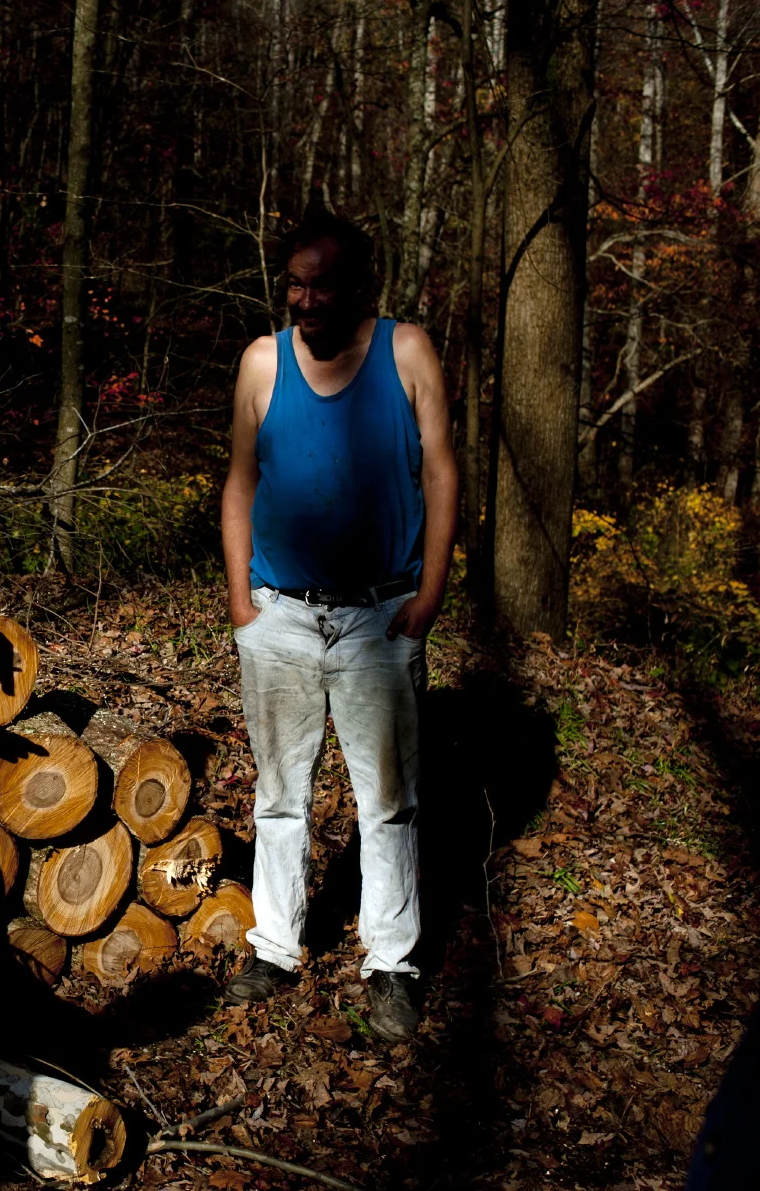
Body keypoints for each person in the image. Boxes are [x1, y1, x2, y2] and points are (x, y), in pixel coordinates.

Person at [218, 210, 458, 1041]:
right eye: (295, 283)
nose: (305, 299)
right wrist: (243, 602)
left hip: (380, 615)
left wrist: (428, 595)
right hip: (280, 613)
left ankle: (391, 962)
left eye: (321, 284)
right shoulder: (263, 360)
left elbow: (441, 471)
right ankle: (274, 947)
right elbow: (240, 480)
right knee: (279, 795)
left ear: (359, 285)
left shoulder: (406, 351)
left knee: (387, 800)